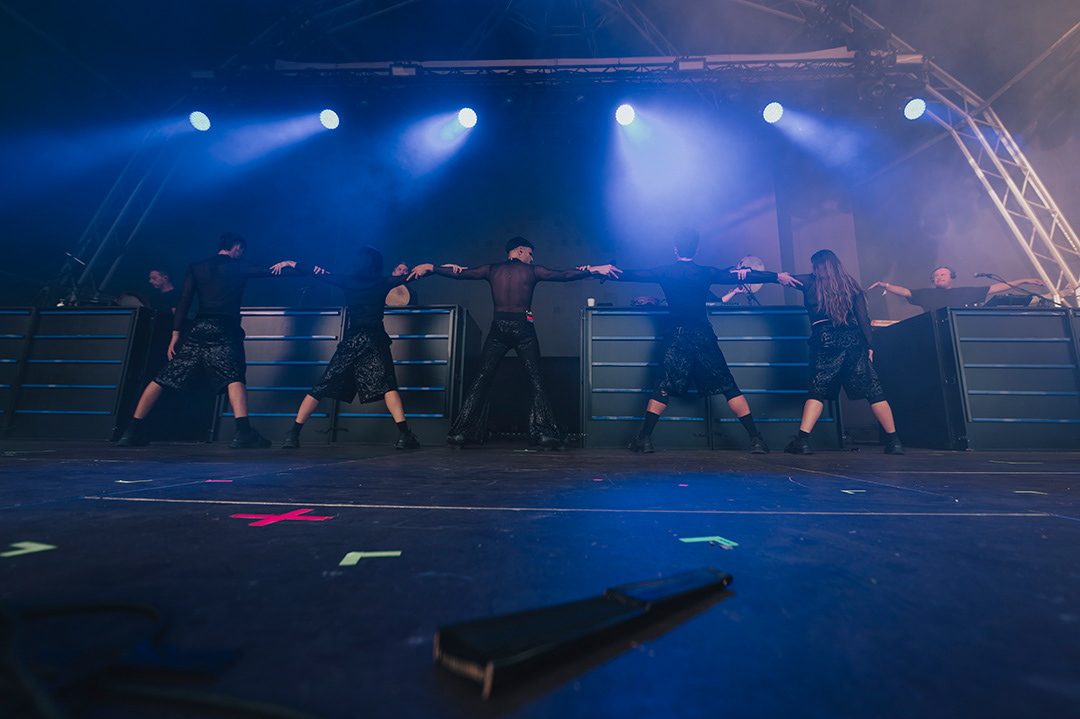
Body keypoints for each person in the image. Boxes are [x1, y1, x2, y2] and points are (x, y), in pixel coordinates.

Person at [610, 229, 802, 454]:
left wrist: (600, 271)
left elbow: (631, 274)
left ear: (675, 249)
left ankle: (645, 439)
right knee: (729, 386)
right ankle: (756, 440)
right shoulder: (706, 272)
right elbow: (743, 276)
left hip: (677, 335)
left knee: (663, 386)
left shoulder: (665, 272)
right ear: (697, 249)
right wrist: (776, 277)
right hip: (703, 335)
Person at [425, 237, 618, 449]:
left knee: (482, 378)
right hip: (523, 329)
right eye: (530, 253)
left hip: (498, 329)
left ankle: (460, 433)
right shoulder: (532, 271)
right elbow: (563, 275)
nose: (531, 258)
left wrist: (432, 268)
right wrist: (594, 269)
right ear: (519, 251)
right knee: (536, 380)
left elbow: (460, 273)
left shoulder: (491, 269)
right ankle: (544, 434)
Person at [270, 248, 451, 450]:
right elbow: (416, 275)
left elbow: (317, 272)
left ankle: (293, 434)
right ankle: (404, 435)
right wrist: (435, 268)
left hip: (352, 340)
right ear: (378, 265)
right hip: (374, 339)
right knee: (388, 387)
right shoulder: (383, 282)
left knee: (321, 386)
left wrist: (291, 263)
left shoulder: (346, 281)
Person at [117, 233, 285, 448]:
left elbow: (184, 300)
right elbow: (270, 271)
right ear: (237, 247)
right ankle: (243, 432)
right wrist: (292, 265)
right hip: (225, 327)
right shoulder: (238, 265)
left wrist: (175, 334)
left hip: (199, 327)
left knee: (164, 376)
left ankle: (131, 431)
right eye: (241, 249)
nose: (241, 253)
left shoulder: (197, 267)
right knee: (234, 376)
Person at [784, 249, 903, 455]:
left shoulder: (810, 281)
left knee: (817, 390)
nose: (811, 268)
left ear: (817, 265)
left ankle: (802, 441)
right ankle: (895, 442)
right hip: (853, 339)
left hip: (825, 339)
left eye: (813, 264)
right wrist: (870, 346)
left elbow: (783, 279)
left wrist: (765, 275)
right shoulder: (851, 285)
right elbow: (863, 319)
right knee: (874, 391)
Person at [870, 266, 1044, 313]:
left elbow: (995, 288)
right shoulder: (926, 294)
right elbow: (905, 291)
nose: (939, 277)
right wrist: (886, 286)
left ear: (951, 277)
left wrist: (1023, 281)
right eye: (936, 276)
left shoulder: (964, 292)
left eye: (942, 274)